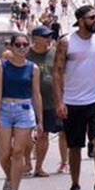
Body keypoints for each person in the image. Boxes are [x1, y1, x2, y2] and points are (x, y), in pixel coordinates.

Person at [53, 5, 95, 190]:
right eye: (91, 18)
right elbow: (57, 72)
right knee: (75, 146)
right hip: (72, 101)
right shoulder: (66, 42)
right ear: (80, 21)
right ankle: (75, 183)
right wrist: (60, 101)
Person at [0, 33, 43, 190]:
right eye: (18, 45)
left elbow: (36, 94)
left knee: (18, 152)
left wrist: (40, 120)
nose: (22, 48)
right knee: (4, 154)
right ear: (12, 47)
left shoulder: (33, 68)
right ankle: (9, 177)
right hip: (5, 108)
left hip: (24, 109)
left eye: (25, 45)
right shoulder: (2, 66)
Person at [27, 26, 68, 176]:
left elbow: (62, 74)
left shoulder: (55, 54)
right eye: (45, 37)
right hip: (29, 102)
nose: (49, 39)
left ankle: (39, 167)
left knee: (44, 134)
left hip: (51, 101)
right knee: (26, 135)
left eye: (50, 36)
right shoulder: (26, 55)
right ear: (35, 39)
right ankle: (26, 163)